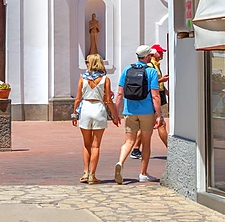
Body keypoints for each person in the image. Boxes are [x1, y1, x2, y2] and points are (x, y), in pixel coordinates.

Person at [115, 45, 162, 184]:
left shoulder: (127, 69)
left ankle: (120, 162)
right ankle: (143, 174)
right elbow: (155, 96)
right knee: (146, 142)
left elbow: (119, 93)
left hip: (129, 111)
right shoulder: (151, 71)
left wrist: (116, 113)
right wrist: (158, 115)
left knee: (129, 141)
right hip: (146, 112)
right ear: (147, 57)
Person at [72, 53, 118, 184]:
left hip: (86, 108)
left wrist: (74, 114)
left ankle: (85, 172)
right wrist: (115, 116)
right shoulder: (105, 79)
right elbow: (108, 100)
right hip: (98, 108)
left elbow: (77, 99)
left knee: (86, 144)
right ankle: (92, 174)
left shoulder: (82, 79)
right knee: (96, 145)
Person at [150, 44, 169, 157]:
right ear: (153, 53)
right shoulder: (150, 66)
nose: (162, 54)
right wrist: (162, 80)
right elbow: (151, 82)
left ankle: (136, 148)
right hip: (154, 97)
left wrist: (165, 90)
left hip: (159, 94)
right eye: (160, 52)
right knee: (161, 123)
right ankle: (170, 149)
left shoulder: (156, 65)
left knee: (147, 125)